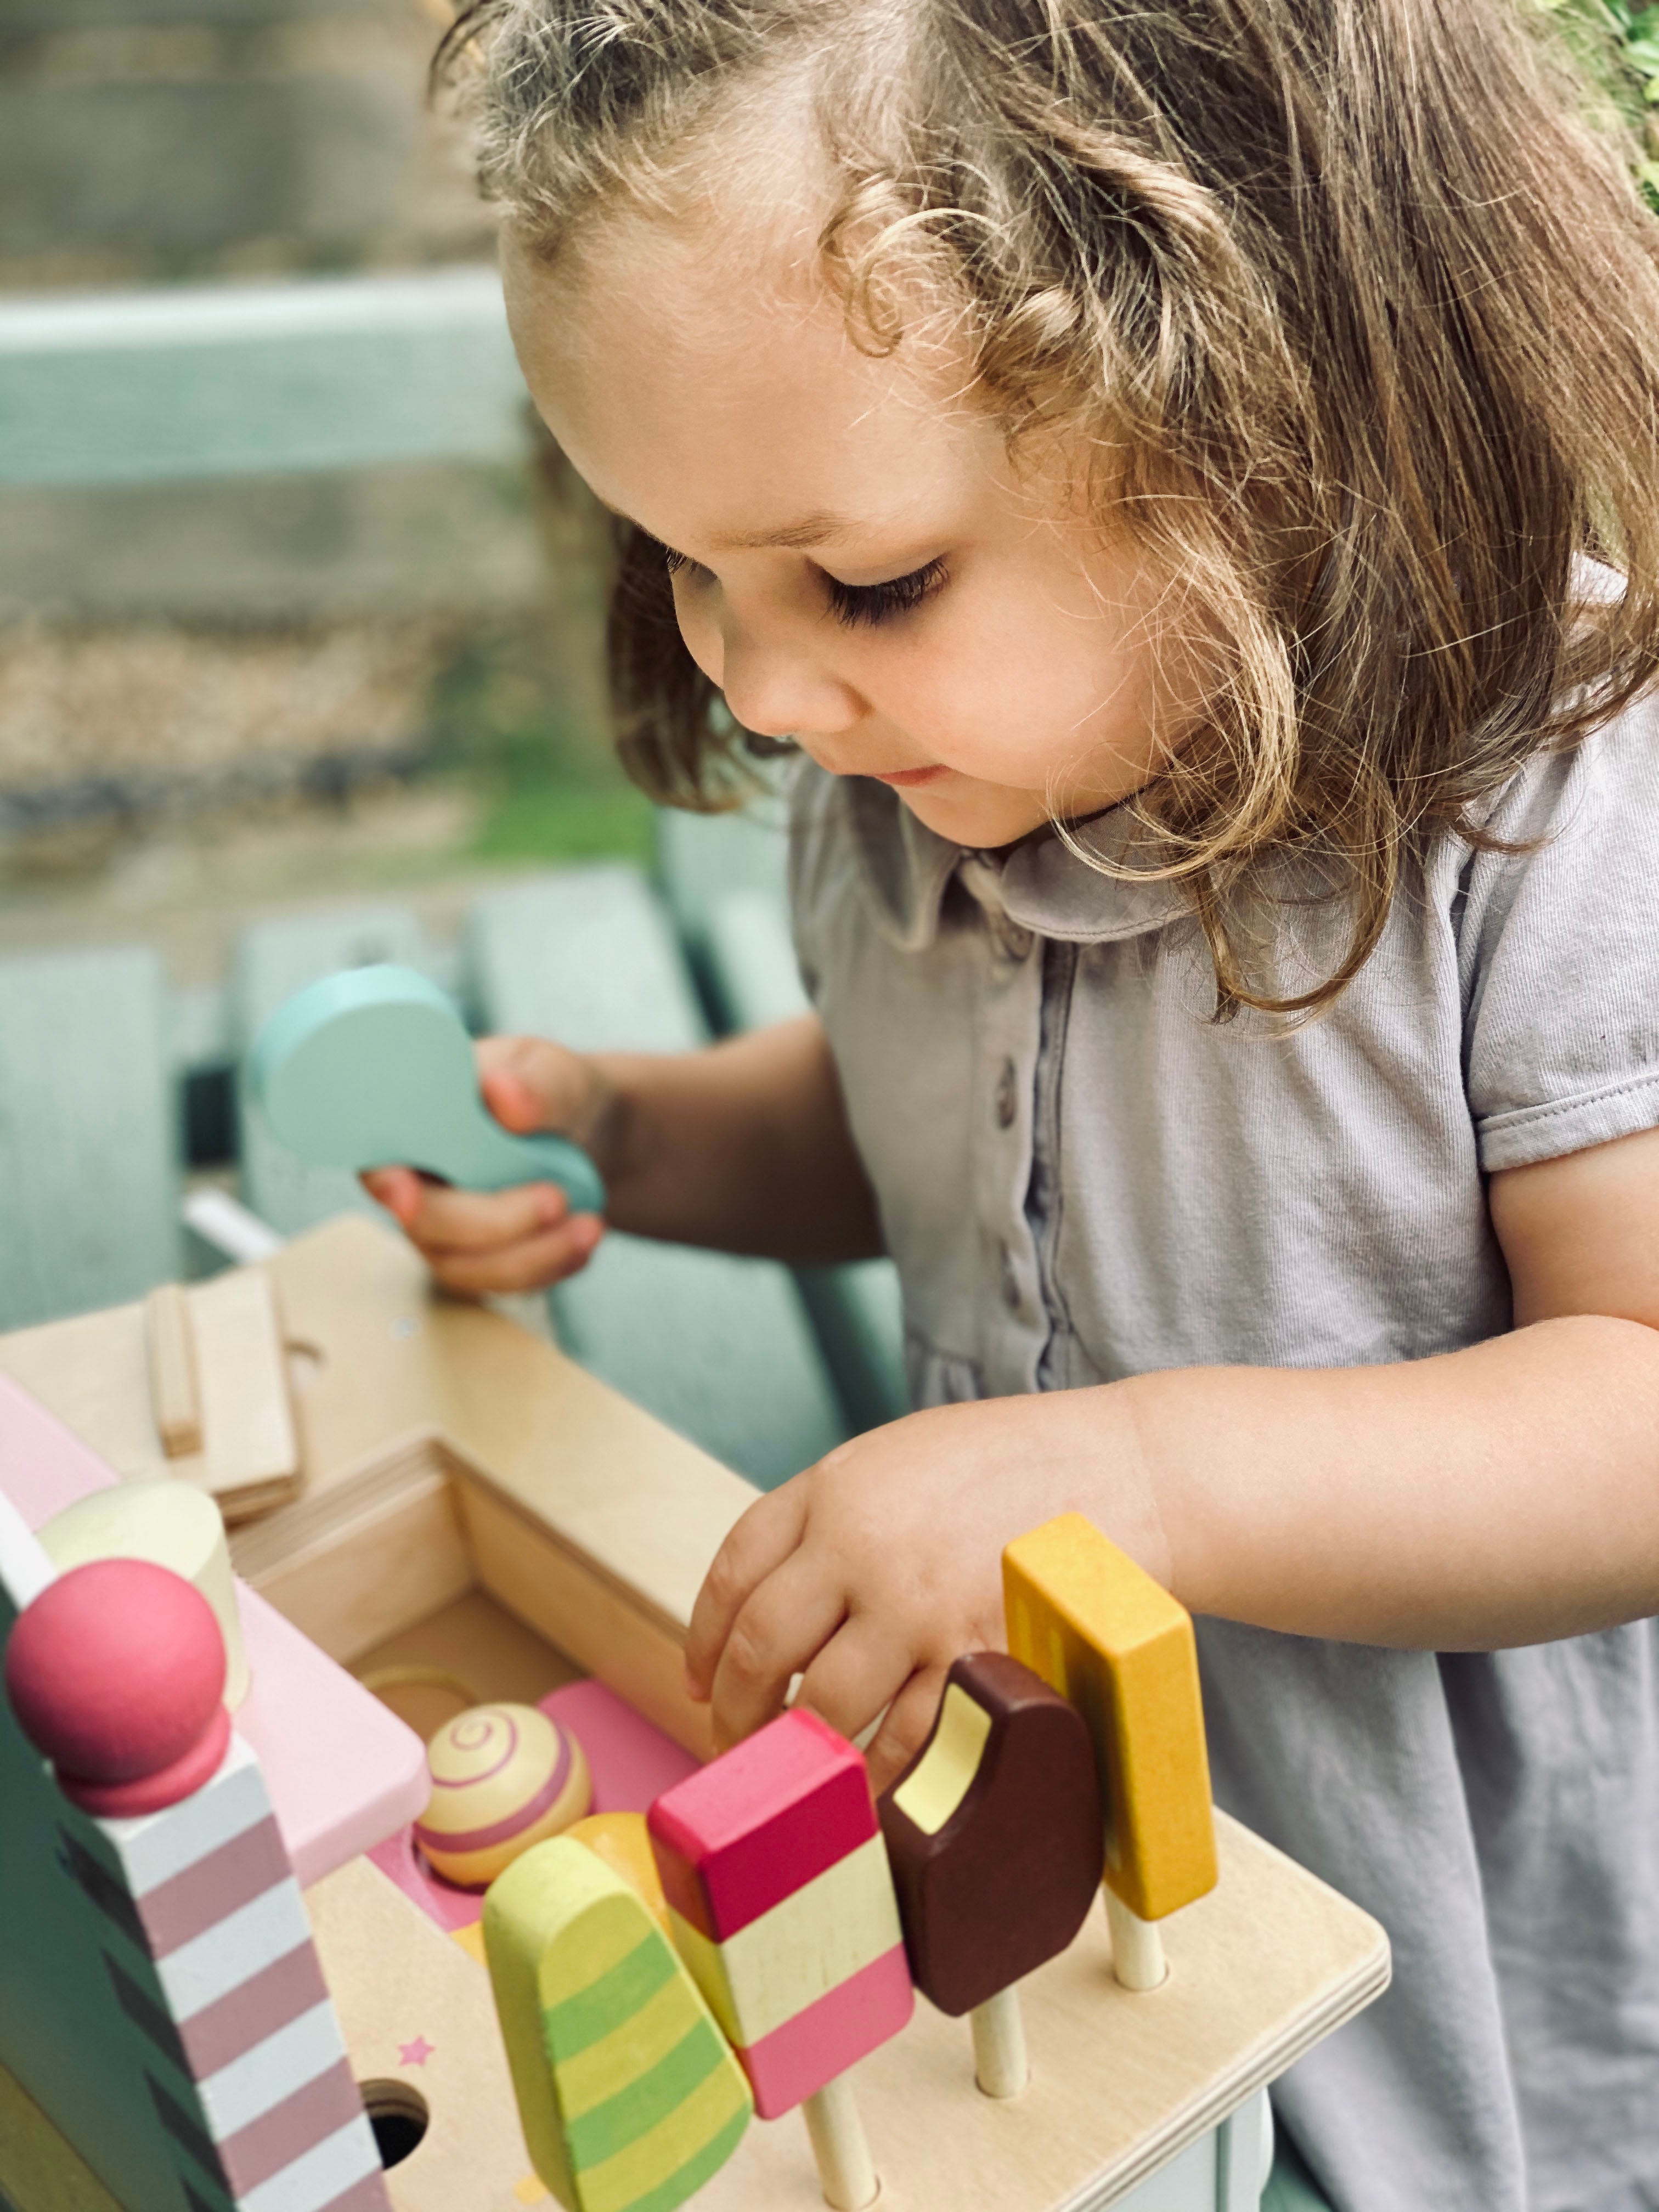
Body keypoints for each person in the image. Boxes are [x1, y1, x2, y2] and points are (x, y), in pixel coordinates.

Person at [368, 3, 1659, 2205]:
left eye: (867, 580)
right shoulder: (913, 777)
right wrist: (635, 1141)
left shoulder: (1536, 794)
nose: (764, 683)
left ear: (1261, 410)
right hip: (1031, 1935)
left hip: (1424, 1978)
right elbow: (928, 1135)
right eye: (684, 564)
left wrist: (1131, 1479)